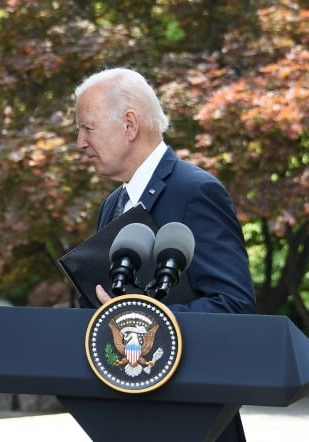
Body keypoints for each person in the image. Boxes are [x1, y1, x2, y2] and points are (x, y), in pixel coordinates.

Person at [74, 68, 256, 441]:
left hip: (194, 421)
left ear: (129, 124)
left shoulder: (196, 191)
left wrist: (141, 316)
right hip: (130, 416)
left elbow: (235, 306)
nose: (79, 142)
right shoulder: (114, 204)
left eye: (87, 128)